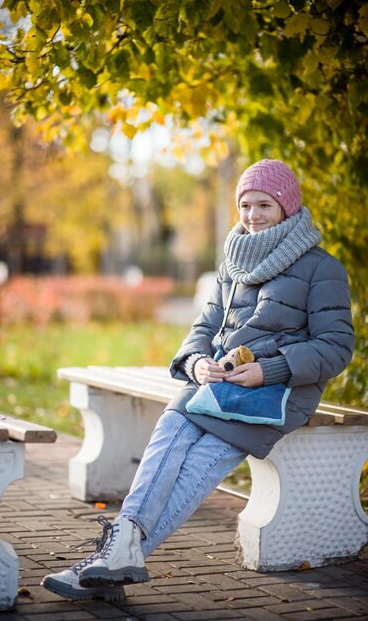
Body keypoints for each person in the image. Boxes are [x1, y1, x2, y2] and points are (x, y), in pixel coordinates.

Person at [42, 159, 354, 601]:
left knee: (198, 462)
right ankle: (118, 556)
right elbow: (203, 327)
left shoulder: (322, 267)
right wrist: (195, 364)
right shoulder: (235, 259)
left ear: (287, 206)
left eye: (264, 204)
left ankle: (110, 558)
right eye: (245, 205)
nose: (252, 215)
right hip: (216, 385)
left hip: (273, 393)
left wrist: (271, 368)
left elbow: (337, 345)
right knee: (170, 431)